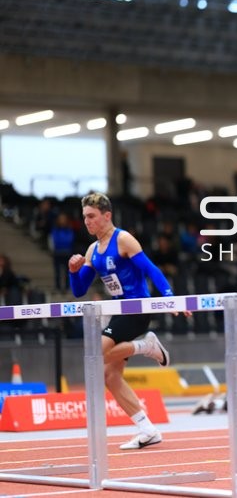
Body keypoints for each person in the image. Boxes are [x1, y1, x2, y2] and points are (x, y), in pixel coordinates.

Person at [68, 192, 189, 450]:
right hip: (119, 311)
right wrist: (73, 271)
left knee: (96, 352)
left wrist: (170, 298)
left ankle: (146, 346)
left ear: (106, 215)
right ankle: (147, 429)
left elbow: (151, 270)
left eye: (91, 216)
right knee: (109, 376)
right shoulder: (92, 250)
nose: (87, 222)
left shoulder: (123, 239)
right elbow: (79, 290)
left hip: (137, 309)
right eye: (85, 218)